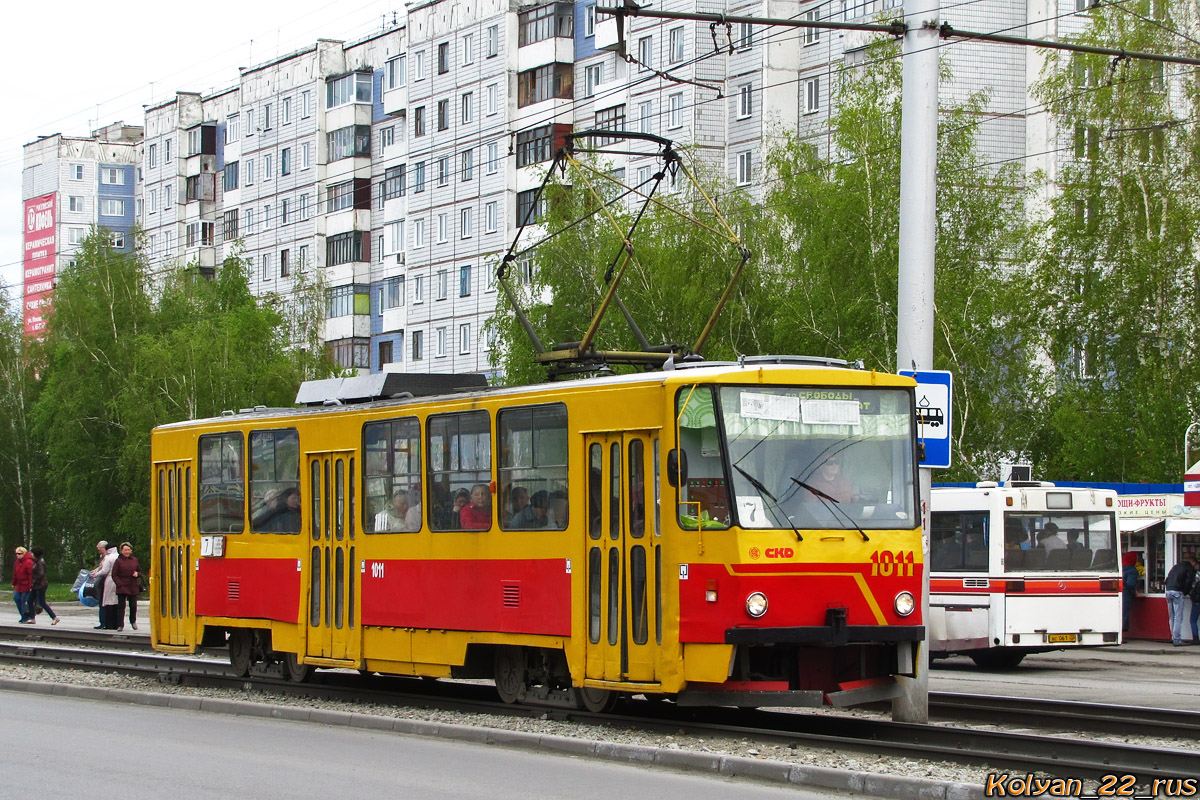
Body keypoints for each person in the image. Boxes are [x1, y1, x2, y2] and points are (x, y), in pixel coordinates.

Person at [1163, 555, 1196, 646]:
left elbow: (1166, 579)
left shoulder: (1176, 567)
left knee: (1172, 616)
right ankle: (1177, 640)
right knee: (1178, 617)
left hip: (1169, 591)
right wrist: (1185, 592)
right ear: (1193, 563)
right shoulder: (1189, 568)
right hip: (1177, 592)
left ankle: (1173, 637)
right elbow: (1189, 581)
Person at [111, 542, 141, 631]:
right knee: (121, 606)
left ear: (131, 551)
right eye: (125, 550)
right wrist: (119, 584)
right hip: (122, 586)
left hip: (132, 585)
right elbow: (114, 575)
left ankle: (133, 621)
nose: (127, 552)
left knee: (133, 605)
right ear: (121, 551)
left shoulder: (135, 560)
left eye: (128, 550)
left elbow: (140, 571)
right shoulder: (118, 561)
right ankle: (120, 624)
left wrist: (137, 574)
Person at [90, 540, 120, 630]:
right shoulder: (119, 557)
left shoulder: (109, 558)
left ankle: (108, 623)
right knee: (116, 602)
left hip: (109, 580)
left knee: (107, 601)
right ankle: (116, 623)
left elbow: (105, 571)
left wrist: (96, 574)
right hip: (119, 581)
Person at [27, 546, 60, 625]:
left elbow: (41, 574)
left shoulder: (40, 563)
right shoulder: (37, 561)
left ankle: (54, 617)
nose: (31, 554)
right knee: (29, 600)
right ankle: (32, 618)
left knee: (42, 602)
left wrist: (34, 582)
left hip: (41, 585)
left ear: (35, 554)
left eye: (32, 553)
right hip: (36, 585)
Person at [11, 546, 34, 623]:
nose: (17, 555)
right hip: (19, 585)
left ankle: (27, 617)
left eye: (19, 553)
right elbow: (15, 573)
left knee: (24, 601)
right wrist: (13, 583)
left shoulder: (28, 562)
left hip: (26, 585)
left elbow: (31, 575)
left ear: (23, 554)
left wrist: (31, 585)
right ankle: (23, 616)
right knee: (17, 598)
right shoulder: (17, 562)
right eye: (16, 553)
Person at [1121, 551, 1140, 633]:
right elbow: (1130, 584)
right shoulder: (1132, 571)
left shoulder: (1121, 568)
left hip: (1119, 592)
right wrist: (1134, 593)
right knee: (1124, 612)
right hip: (1126, 594)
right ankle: (1123, 632)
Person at [1188, 558, 1200, 645]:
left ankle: (1196, 638)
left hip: (1197, 601)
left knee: (1193, 620)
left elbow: (1192, 587)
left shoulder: (1196, 575)